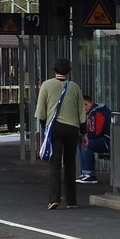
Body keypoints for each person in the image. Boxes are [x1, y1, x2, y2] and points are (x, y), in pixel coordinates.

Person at [34, 58, 85, 209]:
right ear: (69, 71)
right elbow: (81, 112)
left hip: (54, 128)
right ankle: (71, 201)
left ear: (54, 70)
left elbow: (41, 111)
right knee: (70, 163)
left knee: (54, 163)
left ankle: (54, 198)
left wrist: (45, 128)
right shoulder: (74, 87)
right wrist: (84, 132)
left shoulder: (46, 85)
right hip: (72, 128)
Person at [78, 93, 112, 183]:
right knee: (81, 142)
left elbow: (95, 131)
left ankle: (89, 174)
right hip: (104, 139)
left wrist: (86, 137)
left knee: (85, 143)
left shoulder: (96, 112)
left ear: (91, 103)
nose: (84, 108)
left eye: (85, 105)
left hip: (106, 140)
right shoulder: (94, 112)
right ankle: (85, 172)